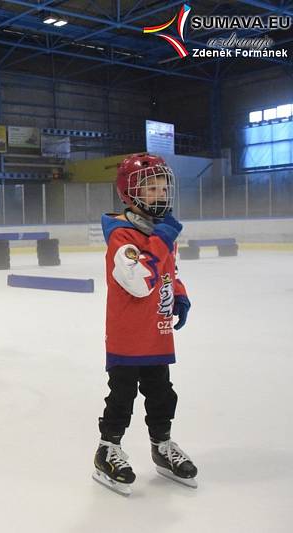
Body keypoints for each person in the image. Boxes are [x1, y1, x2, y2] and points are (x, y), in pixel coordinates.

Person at [92, 153, 197, 496]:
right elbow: (139, 281)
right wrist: (162, 239)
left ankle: (161, 445)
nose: (160, 192)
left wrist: (178, 293)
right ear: (129, 193)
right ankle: (108, 448)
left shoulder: (158, 231)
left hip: (157, 332)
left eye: (162, 184)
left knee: (162, 394)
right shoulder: (123, 236)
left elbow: (167, 270)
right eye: (150, 186)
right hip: (128, 335)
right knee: (121, 395)